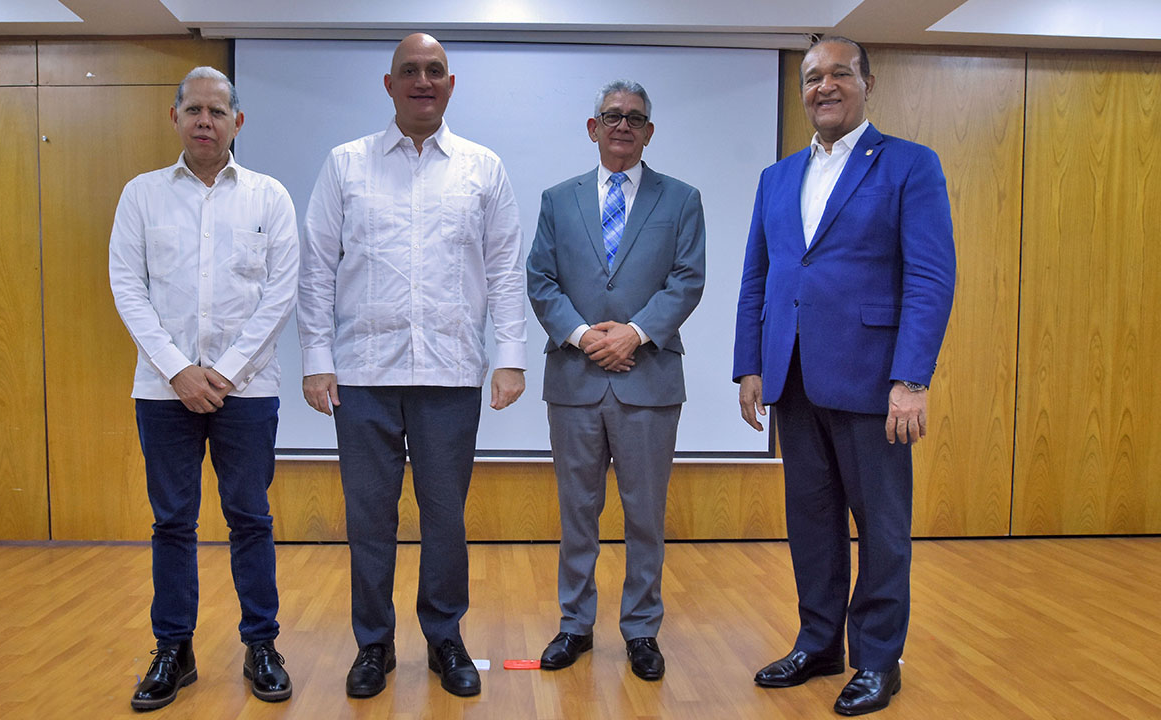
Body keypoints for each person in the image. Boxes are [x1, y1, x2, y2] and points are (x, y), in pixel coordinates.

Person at [298, 33, 527, 699]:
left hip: (450, 377)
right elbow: (317, 269)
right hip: (363, 376)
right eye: (409, 71)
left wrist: (510, 358)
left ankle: (444, 637)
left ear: (450, 85)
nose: (422, 80)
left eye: (434, 71)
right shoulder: (346, 165)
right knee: (369, 520)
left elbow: (505, 270)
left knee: (445, 519)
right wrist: (316, 360)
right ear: (389, 84)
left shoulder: (483, 168)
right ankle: (373, 644)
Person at [733, 37, 955, 716]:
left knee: (881, 528)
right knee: (812, 522)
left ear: (867, 82)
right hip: (793, 376)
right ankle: (819, 643)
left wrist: (911, 378)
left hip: (873, 379)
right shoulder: (776, 178)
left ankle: (879, 660)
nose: (823, 87)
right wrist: (750, 364)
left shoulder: (909, 164)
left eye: (838, 74)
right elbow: (758, 277)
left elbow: (930, 276)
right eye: (811, 78)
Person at [109, 66, 296, 711]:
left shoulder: (269, 196)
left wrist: (226, 371)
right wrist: (178, 370)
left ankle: (261, 645)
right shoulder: (141, 195)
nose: (205, 122)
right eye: (194, 110)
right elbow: (127, 288)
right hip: (165, 392)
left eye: (218, 111)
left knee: (250, 518)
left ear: (237, 121)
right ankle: (173, 650)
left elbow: (280, 294)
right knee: (172, 522)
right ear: (176, 118)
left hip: (248, 390)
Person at [526, 80, 705, 681]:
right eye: (611, 116)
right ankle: (574, 625)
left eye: (634, 117)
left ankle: (641, 629)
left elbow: (687, 279)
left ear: (649, 131)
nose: (622, 125)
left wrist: (634, 333)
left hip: (648, 378)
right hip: (574, 379)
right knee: (577, 513)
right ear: (593, 127)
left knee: (645, 515)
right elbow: (540, 279)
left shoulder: (681, 199)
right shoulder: (558, 200)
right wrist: (584, 337)